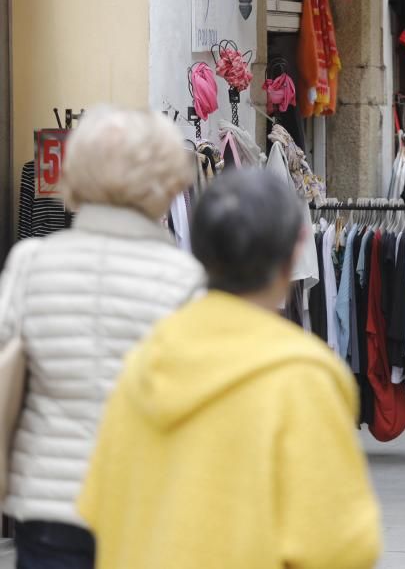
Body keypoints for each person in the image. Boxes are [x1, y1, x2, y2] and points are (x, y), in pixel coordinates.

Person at [78, 169, 382, 569]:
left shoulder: (143, 364)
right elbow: (341, 547)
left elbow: (97, 512)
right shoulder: (303, 377)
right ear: (296, 252)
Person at [0, 107, 203, 569]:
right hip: (148, 502)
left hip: (49, 505)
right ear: (166, 181)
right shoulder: (182, 278)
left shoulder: (31, 263)